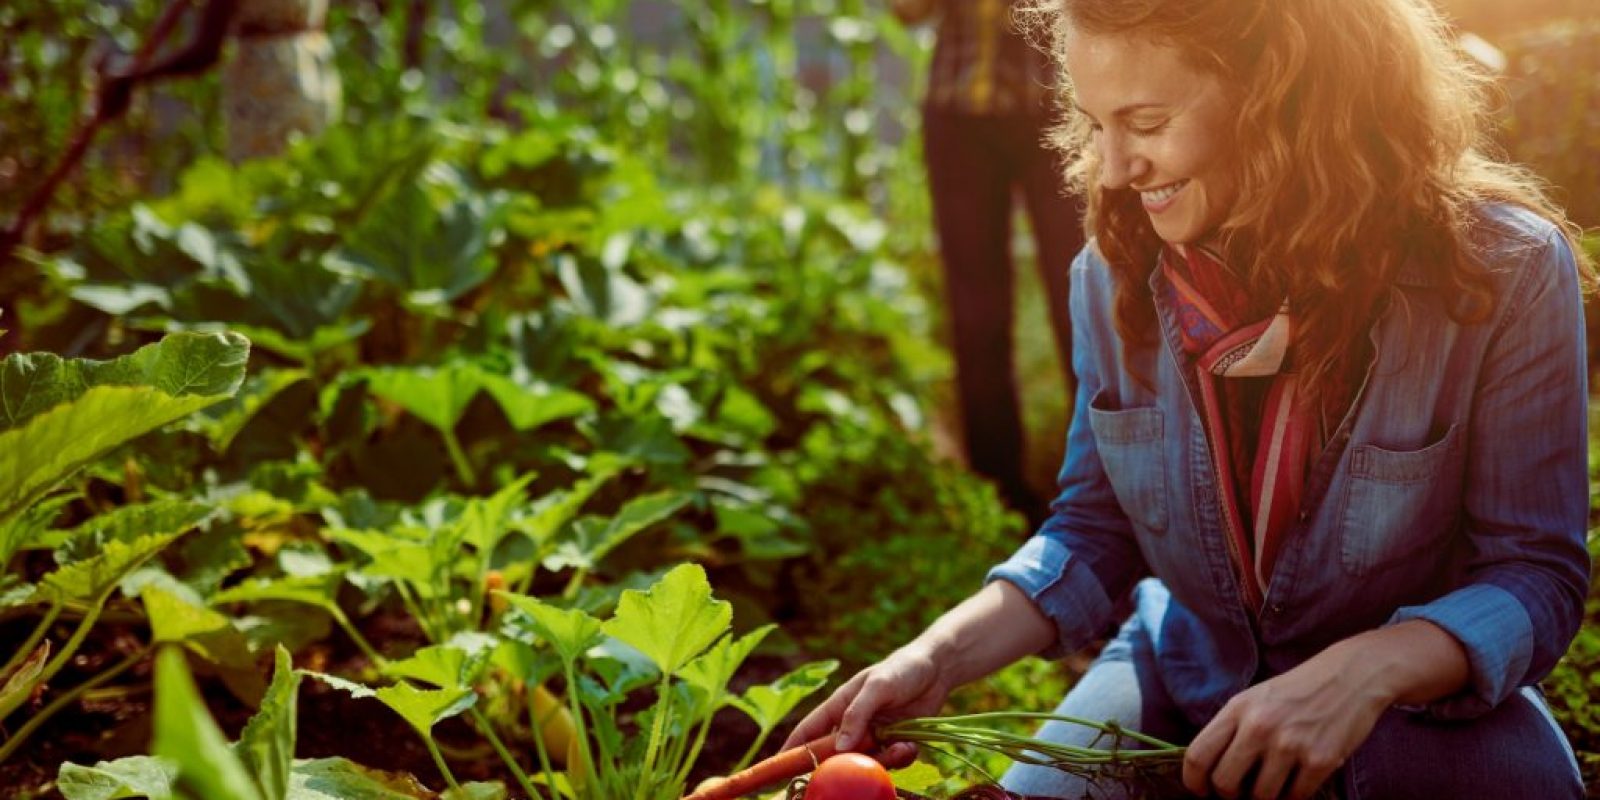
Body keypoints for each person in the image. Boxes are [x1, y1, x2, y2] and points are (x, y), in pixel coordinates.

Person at [786, 0, 1595, 797]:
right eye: (1094, 125)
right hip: (1183, 673)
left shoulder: (1504, 273)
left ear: (1285, 97)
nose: (1111, 169)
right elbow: (1093, 529)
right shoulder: (1110, 274)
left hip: (1417, 705)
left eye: (1143, 122)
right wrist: (937, 657)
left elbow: (1535, 575)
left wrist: (1366, 672)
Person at [892, 0, 1086, 527]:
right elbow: (905, 11)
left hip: (1056, 105)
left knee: (1080, 297)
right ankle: (999, 495)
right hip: (958, 117)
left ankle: (1102, 483)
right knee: (976, 313)